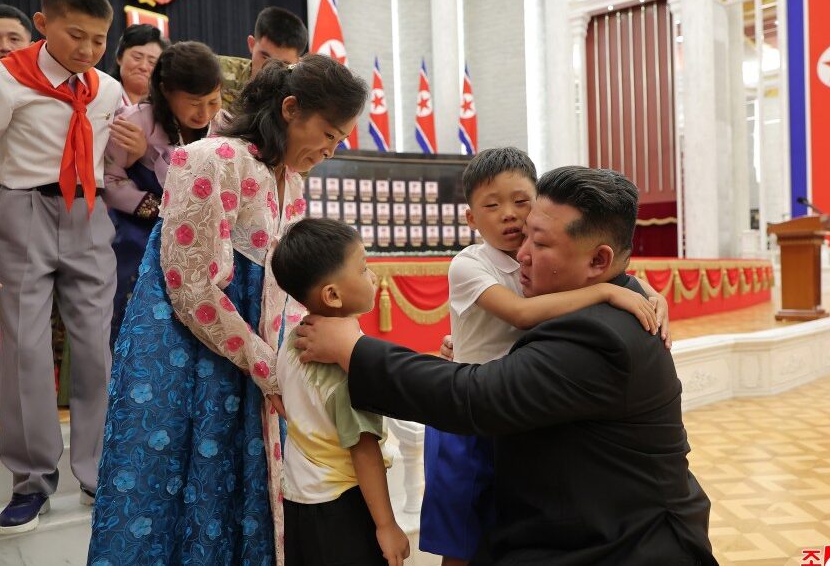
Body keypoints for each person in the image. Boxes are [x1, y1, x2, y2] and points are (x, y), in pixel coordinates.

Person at [295, 166, 718, 565]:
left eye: (541, 243)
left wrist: (353, 348)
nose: (523, 255)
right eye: (524, 237)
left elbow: (478, 396)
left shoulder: (602, 336)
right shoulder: (603, 299)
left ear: (597, 262)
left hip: (619, 545)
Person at [88, 54, 368, 565]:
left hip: (247, 359)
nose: (329, 150)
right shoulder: (212, 158)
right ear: (289, 109)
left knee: (238, 495)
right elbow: (191, 288)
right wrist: (268, 366)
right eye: (328, 134)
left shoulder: (291, 180)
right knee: (177, 493)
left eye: (338, 141)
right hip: (188, 362)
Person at [421, 147, 671, 566]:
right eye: (492, 205)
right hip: (469, 412)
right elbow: (520, 314)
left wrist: (648, 292)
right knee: (460, 538)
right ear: (470, 218)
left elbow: (606, 266)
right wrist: (609, 291)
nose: (510, 215)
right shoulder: (469, 263)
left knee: (502, 524)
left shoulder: (548, 257)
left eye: (521, 201)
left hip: (514, 408)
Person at [0, 0, 123, 534]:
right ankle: (31, 480)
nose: (89, 50)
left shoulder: (108, 89)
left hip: (87, 214)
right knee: (24, 347)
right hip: (23, 209)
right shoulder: (7, 80)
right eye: (77, 36)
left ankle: (99, 472)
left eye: (99, 41)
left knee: (95, 345)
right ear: (43, 26)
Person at [272, 218, 410, 566]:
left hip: (299, 502)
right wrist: (387, 524)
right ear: (333, 295)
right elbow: (364, 450)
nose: (372, 274)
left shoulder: (293, 340)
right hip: (344, 507)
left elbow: (290, 407)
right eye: (363, 268)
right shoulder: (348, 367)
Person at [104, 41, 222, 347]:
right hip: (137, 235)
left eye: (213, 100)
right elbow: (109, 178)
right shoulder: (134, 122)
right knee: (135, 319)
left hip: (197, 239)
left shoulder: (223, 126)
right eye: (195, 102)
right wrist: (157, 208)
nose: (205, 113)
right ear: (166, 91)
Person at [219, 6, 308, 117]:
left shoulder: (299, 99)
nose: (270, 68)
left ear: (297, 63)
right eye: (265, 57)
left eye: (283, 64)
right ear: (251, 44)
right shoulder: (216, 72)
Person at [110, 23, 166, 107]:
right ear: (119, 57)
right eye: (137, 57)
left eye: (152, 62)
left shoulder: (165, 108)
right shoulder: (100, 94)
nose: (143, 67)